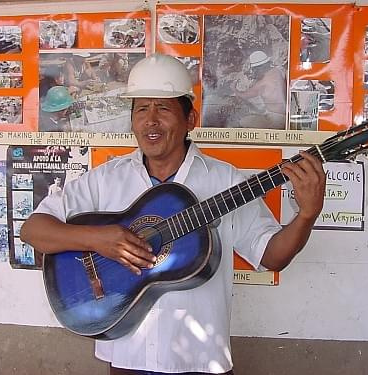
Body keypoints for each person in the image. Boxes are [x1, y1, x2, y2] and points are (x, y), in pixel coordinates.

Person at [20, 54, 326, 374]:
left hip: (199, 360)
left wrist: (306, 215)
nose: (150, 120)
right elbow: (33, 230)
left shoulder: (226, 183)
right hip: (127, 358)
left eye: (163, 108)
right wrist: (98, 239)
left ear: (190, 119)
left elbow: (271, 255)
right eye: (141, 109)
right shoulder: (105, 179)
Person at [232, 50, 287, 129]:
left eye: (255, 69)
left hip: (275, 121)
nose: (254, 71)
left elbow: (244, 95)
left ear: (259, 67)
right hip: (286, 117)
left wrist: (234, 89)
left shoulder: (262, 83)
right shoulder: (278, 71)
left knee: (244, 121)